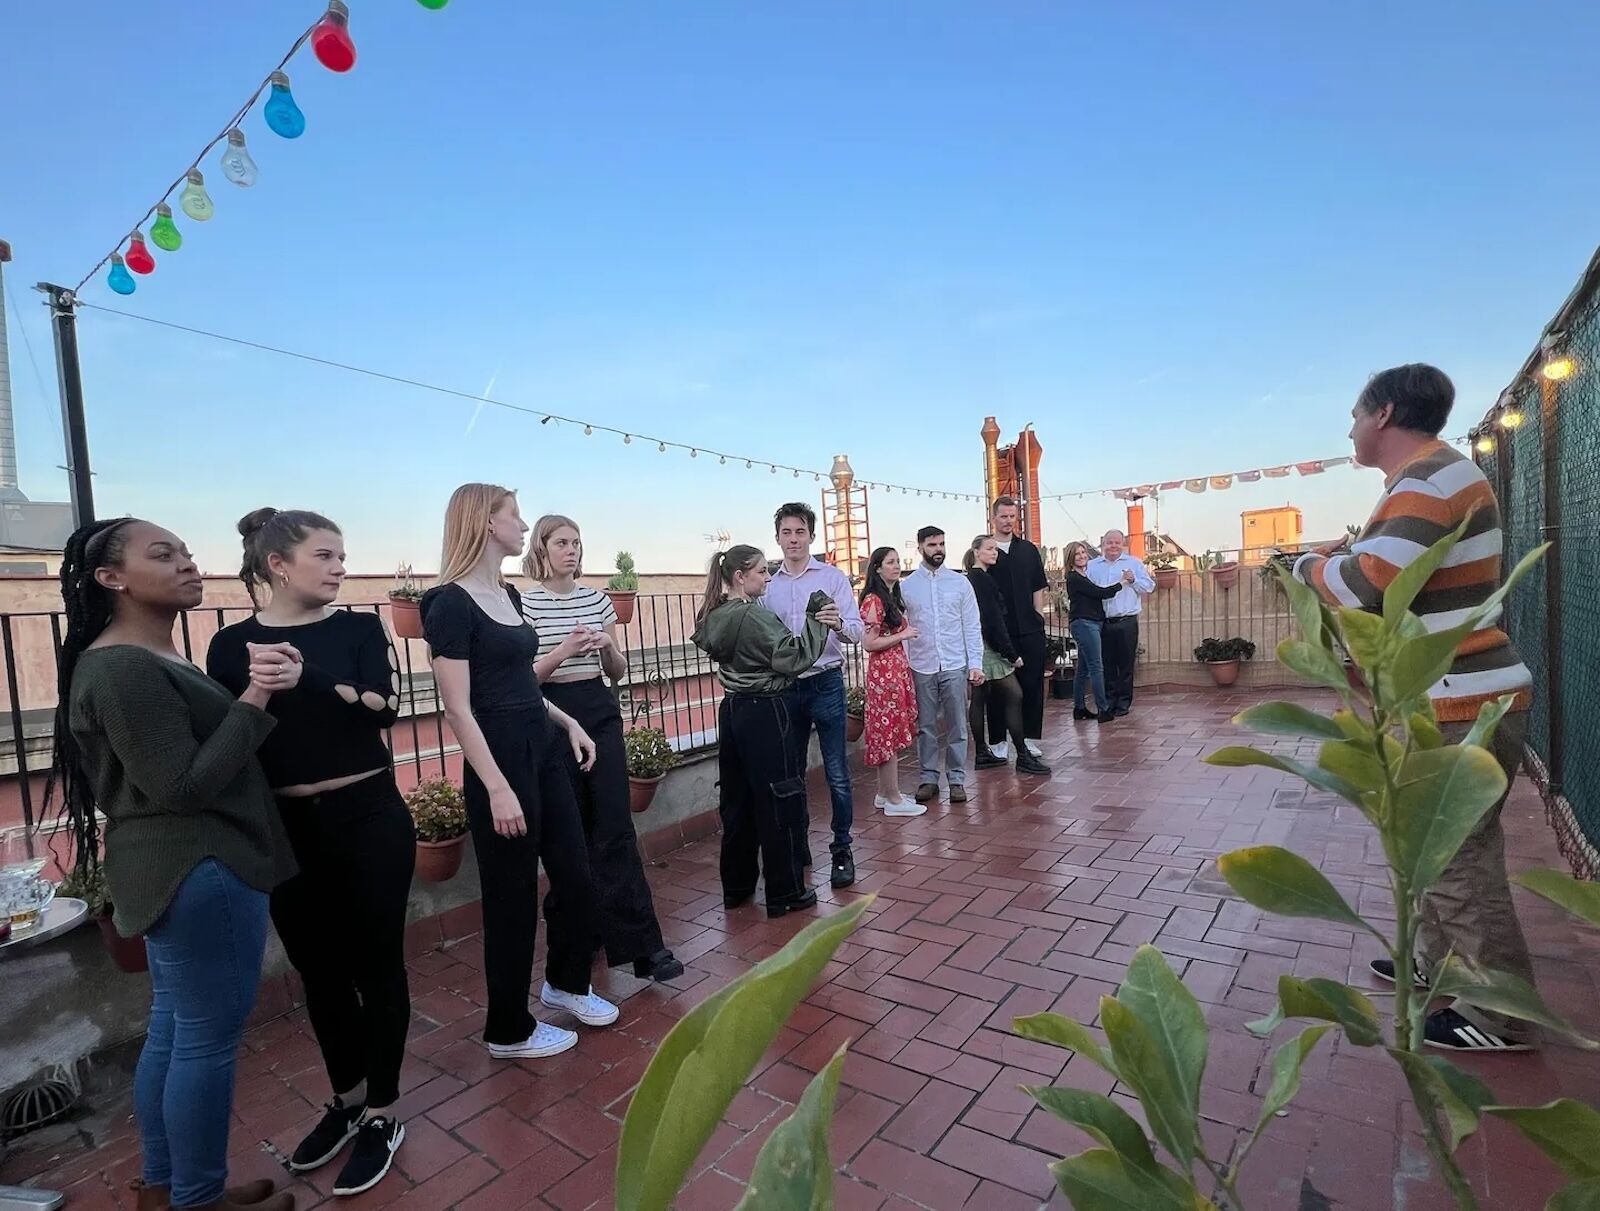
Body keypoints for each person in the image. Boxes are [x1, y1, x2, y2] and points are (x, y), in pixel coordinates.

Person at [49, 519, 296, 1211]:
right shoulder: (124, 666)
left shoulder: (142, 656)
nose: (188, 563)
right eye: (164, 554)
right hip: (200, 865)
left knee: (176, 1027)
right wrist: (256, 696)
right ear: (112, 578)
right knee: (206, 1043)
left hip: (179, 869)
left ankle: (166, 1187)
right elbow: (183, 786)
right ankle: (197, 1197)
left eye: (187, 550)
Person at [1295, 363, 1537, 1053]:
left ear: (1384, 414)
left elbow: (1363, 584)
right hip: (1450, 697)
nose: (1348, 427)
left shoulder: (1428, 480)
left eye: (1354, 413)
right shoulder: (1429, 478)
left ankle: (1499, 1014)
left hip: (1459, 699)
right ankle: (1436, 969)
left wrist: (1301, 566)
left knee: (1458, 856)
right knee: (1434, 849)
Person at [208, 509, 413, 1195]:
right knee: (318, 970)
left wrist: (312, 678)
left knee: (377, 961)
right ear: (277, 564)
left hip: (369, 813)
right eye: (325, 554)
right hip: (287, 824)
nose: (339, 565)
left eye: (342, 554)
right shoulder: (229, 644)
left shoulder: (356, 626)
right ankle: (349, 1097)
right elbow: (228, 739)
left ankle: (384, 1110)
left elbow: (386, 706)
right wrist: (255, 686)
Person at [422, 484, 615, 1061]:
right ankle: (507, 1029)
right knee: (510, 899)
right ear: (486, 524)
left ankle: (565, 982)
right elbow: (459, 706)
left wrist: (566, 723)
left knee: (576, 876)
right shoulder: (448, 603)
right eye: (514, 515)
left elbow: (518, 685)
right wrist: (498, 788)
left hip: (541, 745)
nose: (523, 523)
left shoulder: (506, 593)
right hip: (499, 761)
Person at [521, 514, 683, 983]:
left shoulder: (596, 600)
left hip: (598, 706)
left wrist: (603, 646)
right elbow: (525, 679)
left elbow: (617, 670)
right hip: (553, 717)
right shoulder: (526, 606)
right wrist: (563, 650)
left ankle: (643, 947)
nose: (571, 550)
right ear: (542, 549)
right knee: (569, 835)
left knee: (614, 825)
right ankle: (581, 935)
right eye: (561, 543)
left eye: (576, 543)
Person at [691, 545, 837, 917]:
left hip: (733, 709)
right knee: (779, 797)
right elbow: (795, 657)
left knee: (736, 800)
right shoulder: (753, 617)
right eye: (760, 572)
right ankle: (785, 891)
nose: (768, 578)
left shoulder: (714, 614)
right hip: (766, 712)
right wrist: (816, 616)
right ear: (740, 577)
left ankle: (737, 888)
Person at [761, 503, 864, 889]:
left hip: (826, 683)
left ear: (811, 536)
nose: (793, 539)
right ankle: (797, 845)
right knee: (792, 773)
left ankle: (842, 849)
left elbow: (857, 632)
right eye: (786, 532)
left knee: (837, 772)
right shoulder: (768, 586)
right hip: (785, 688)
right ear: (777, 538)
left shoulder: (833, 578)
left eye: (799, 532)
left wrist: (838, 623)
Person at [899, 527, 984, 804]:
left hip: (954, 663)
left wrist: (976, 663)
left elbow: (971, 625)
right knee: (926, 726)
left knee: (958, 724)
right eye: (932, 544)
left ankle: (957, 779)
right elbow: (902, 628)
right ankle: (928, 778)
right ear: (920, 547)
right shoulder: (907, 586)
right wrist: (905, 665)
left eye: (942, 544)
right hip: (922, 664)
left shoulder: (960, 583)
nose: (939, 549)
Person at [964, 536, 1050, 776]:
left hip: (977, 645)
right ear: (977, 552)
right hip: (986, 648)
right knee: (1014, 694)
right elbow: (992, 620)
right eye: (990, 549)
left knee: (979, 697)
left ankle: (983, 751)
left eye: (995, 549)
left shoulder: (974, 579)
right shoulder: (981, 580)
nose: (995, 553)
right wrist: (1011, 655)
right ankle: (1022, 754)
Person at [856, 547, 924, 816]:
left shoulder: (888, 596)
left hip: (893, 672)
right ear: (877, 568)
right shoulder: (874, 600)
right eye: (890, 562)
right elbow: (869, 643)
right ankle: (893, 798)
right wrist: (903, 635)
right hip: (885, 675)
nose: (896, 566)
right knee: (889, 735)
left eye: (897, 562)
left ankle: (885, 793)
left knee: (890, 733)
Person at [984, 497, 1049, 760]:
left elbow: (1038, 587)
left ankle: (1030, 738)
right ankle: (998, 740)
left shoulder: (1028, 550)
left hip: (1030, 629)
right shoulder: (986, 551)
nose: (1008, 521)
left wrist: (1038, 617)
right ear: (994, 518)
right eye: (1003, 516)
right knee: (998, 688)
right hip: (999, 632)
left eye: (1012, 516)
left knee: (1033, 685)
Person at [1086, 530, 1154, 717]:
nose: (1113, 546)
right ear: (1103, 544)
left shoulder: (1134, 563)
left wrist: (1133, 580)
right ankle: (1108, 702)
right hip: (1102, 622)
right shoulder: (1092, 566)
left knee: (1125, 665)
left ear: (1123, 544)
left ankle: (1123, 703)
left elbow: (1149, 586)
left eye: (1117, 542)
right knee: (1106, 664)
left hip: (1126, 621)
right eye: (1109, 542)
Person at [1064, 539, 1125, 724]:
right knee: (1096, 667)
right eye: (1077, 554)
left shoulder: (1083, 576)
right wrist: (1121, 582)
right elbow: (1101, 592)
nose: (1082, 556)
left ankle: (1079, 708)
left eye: (1083, 553)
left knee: (1082, 669)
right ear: (1070, 558)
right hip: (1085, 624)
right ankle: (1103, 709)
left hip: (1090, 624)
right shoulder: (1074, 578)